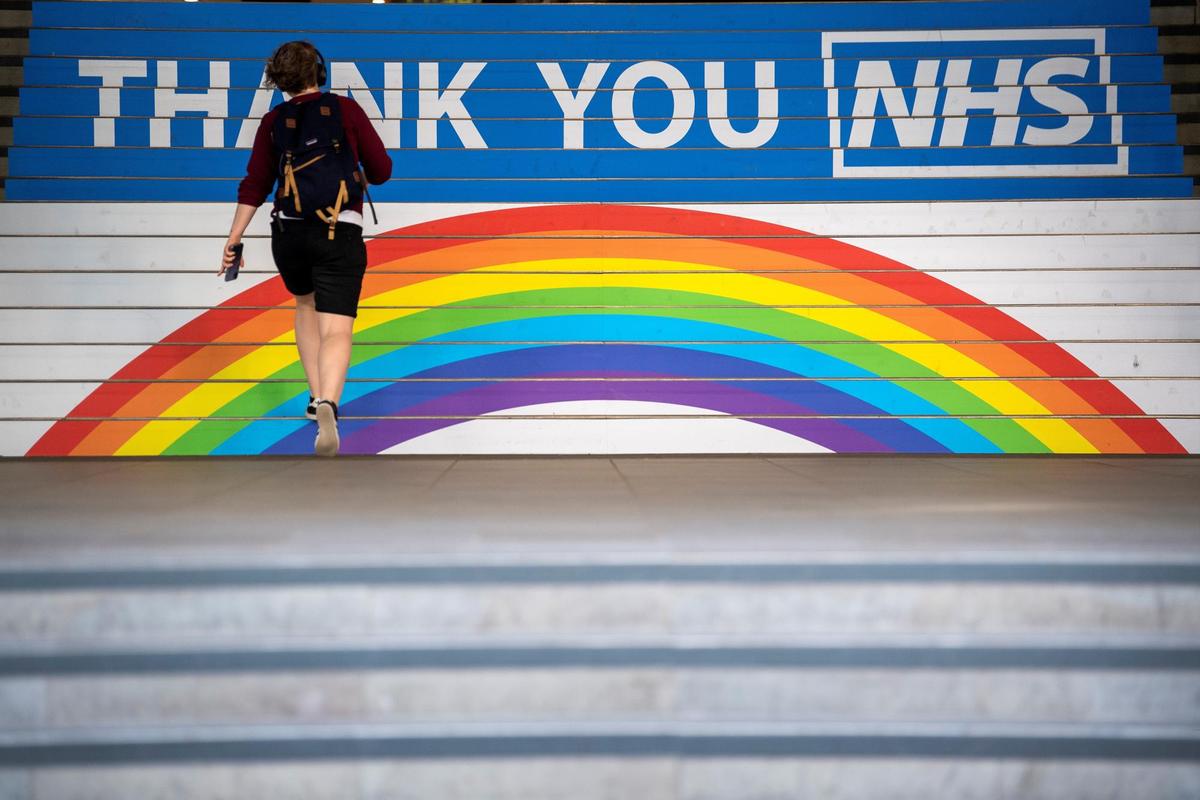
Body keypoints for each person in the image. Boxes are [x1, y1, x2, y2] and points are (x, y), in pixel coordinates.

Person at [220, 41, 392, 457]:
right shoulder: (345, 111)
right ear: (320, 73)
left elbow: (256, 183)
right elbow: (383, 170)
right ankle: (332, 400)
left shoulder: (273, 121)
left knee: (304, 305)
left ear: (279, 80)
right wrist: (358, 175)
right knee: (336, 326)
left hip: (290, 234)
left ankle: (315, 399)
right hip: (339, 229)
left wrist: (234, 238)